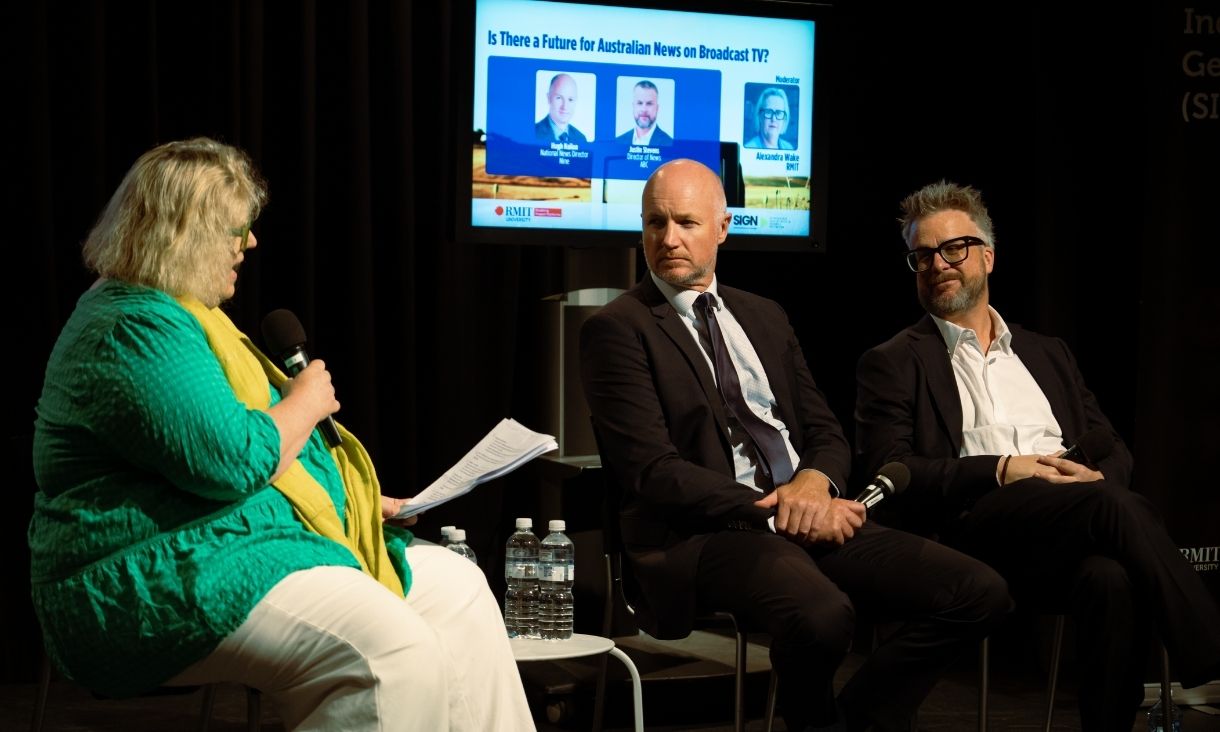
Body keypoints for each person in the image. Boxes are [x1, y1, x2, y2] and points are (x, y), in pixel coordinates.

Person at [28, 137, 536, 732]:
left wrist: (355, 502)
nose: (250, 243)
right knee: (386, 654)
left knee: (460, 589)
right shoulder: (131, 327)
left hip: (233, 545)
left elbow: (251, 460)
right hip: (146, 576)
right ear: (185, 234)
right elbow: (231, 459)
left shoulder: (184, 316)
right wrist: (305, 402)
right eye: (235, 229)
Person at [579, 159, 1010, 732]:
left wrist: (815, 484)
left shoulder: (763, 315)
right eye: (655, 223)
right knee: (823, 615)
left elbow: (825, 431)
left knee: (980, 591)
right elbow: (653, 471)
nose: (669, 238)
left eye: (686, 222)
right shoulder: (617, 327)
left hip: (806, 513)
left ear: (722, 228)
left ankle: (852, 718)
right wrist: (783, 508)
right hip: (706, 533)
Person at [854, 180, 1220, 731]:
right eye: (922, 255)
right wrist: (1003, 469)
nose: (937, 264)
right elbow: (893, 469)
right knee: (1111, 507)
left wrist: (1095, 474)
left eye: (953, 248)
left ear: (988, 256)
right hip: (975, 527)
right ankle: (1212, 662)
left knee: (1110, 578)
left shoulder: (1047, 353)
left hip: (1067, 525)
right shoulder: (893, 361)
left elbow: (1111, 447)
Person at [614, 79, 672, 146]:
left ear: (657, 108)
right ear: (633, 106)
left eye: (649, 103)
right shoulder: (618, 142)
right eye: (639, 103)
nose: (644, 109)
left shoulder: (669, 143)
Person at [534, 72, 587, 144]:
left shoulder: (581, 139)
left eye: (570, 99)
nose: (565, 106)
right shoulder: (534, 133)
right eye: (559, 98)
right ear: (549, 98)